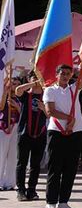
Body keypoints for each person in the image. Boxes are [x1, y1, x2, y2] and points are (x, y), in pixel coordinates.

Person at [42, 64, 82, 208]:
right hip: (56, 131)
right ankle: (51, 202)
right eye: (63, 73)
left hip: (76, 131)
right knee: (55, 168)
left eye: (68, 74)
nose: (65, 76)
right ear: (57, 74)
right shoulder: (50, 90)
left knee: (70, 168)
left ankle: (63, 201)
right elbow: (50, 111)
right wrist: (68, 118)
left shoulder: (73, 89)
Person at [15, 73, 47, 201]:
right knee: (21, 163)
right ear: (29, 80)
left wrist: (43, 108)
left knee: (35, 164)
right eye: (34, 78)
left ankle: (32, 190)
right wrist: (33, 84)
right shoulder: (26, 95)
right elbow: (17, 90)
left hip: (40, 134)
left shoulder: (46, 96)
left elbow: (50, 115)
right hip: (24, 133)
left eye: (39, 78)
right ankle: (21, 190)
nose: (37, 81)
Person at [0, 79, 20, 190]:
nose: (15, 86)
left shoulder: (20, 97)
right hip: (4, 127)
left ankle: (10, 182)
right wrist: (4, 93)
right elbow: (1, 107)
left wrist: (16, 106)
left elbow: (23, 114)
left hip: (15, 127)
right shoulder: (3, 96)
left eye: (18, 84)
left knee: (13, 156)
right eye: (13, 84)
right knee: (1, 154)